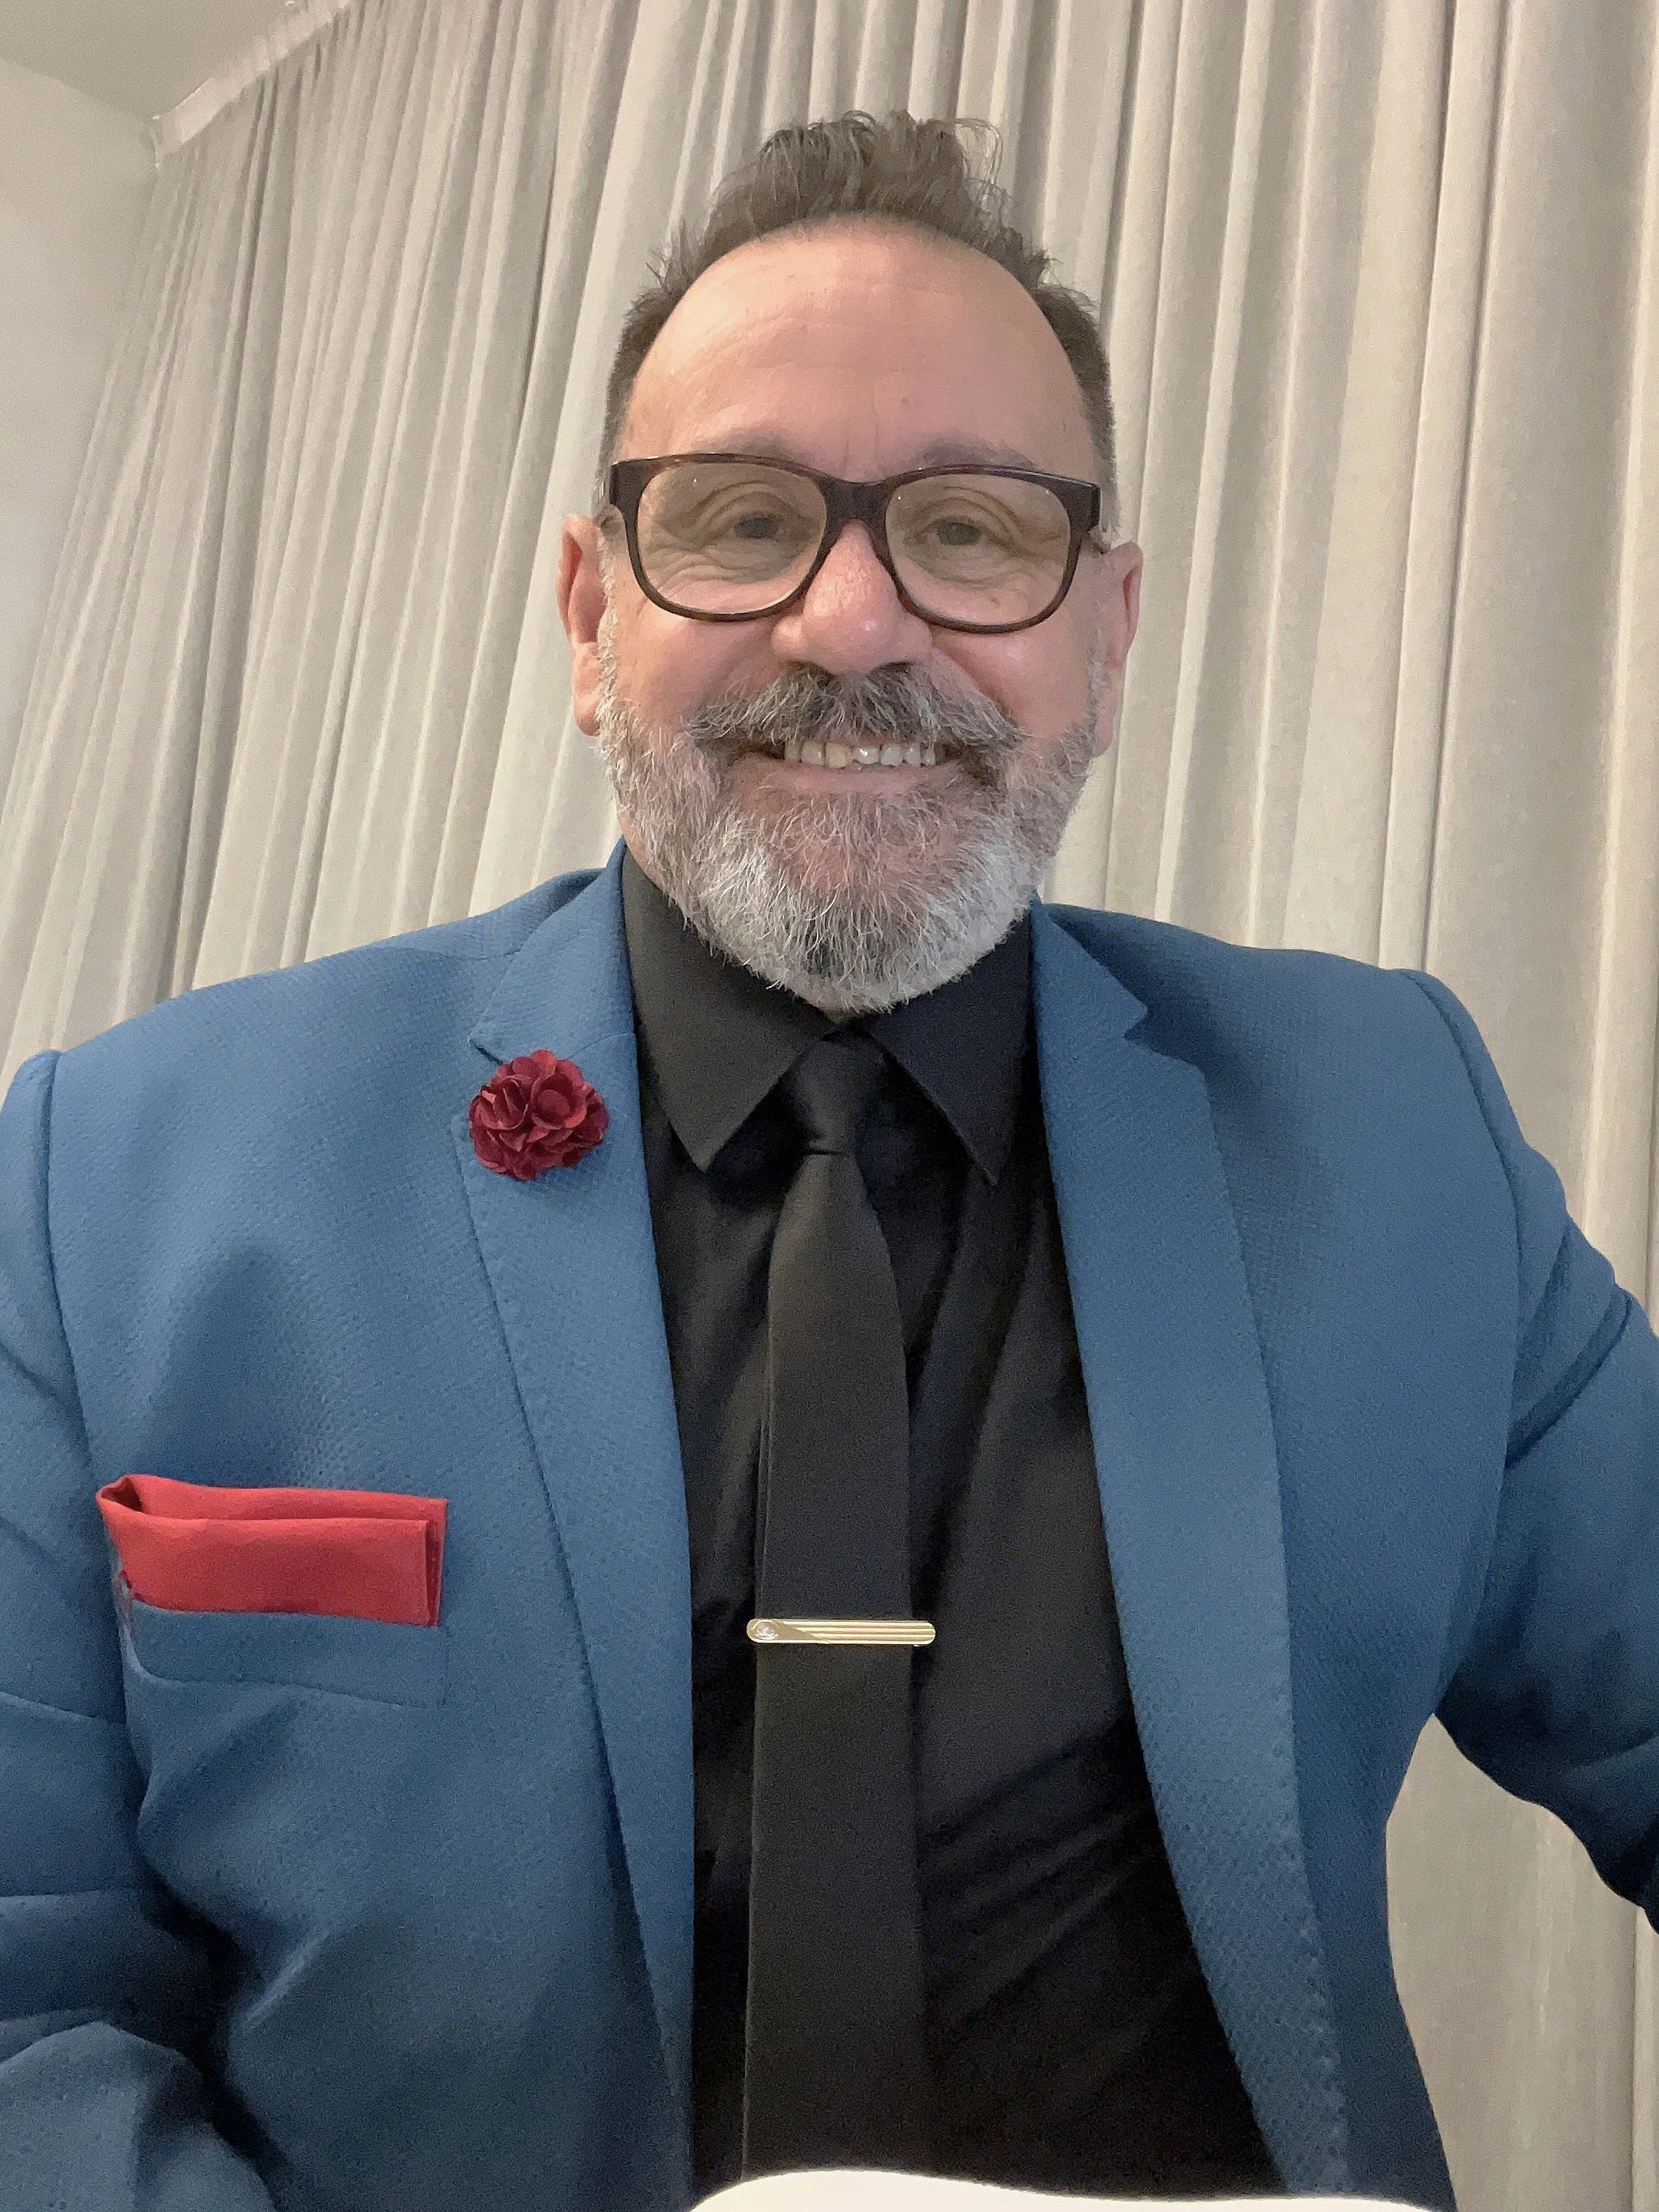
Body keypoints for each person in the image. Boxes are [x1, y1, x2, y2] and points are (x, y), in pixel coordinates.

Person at [0, 107, 1654, 2212]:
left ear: (1106, 630)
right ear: (590, 612)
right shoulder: (111, 1170)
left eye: (972, 529)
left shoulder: (1386, 1126)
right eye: (743, 514)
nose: (854, 623)